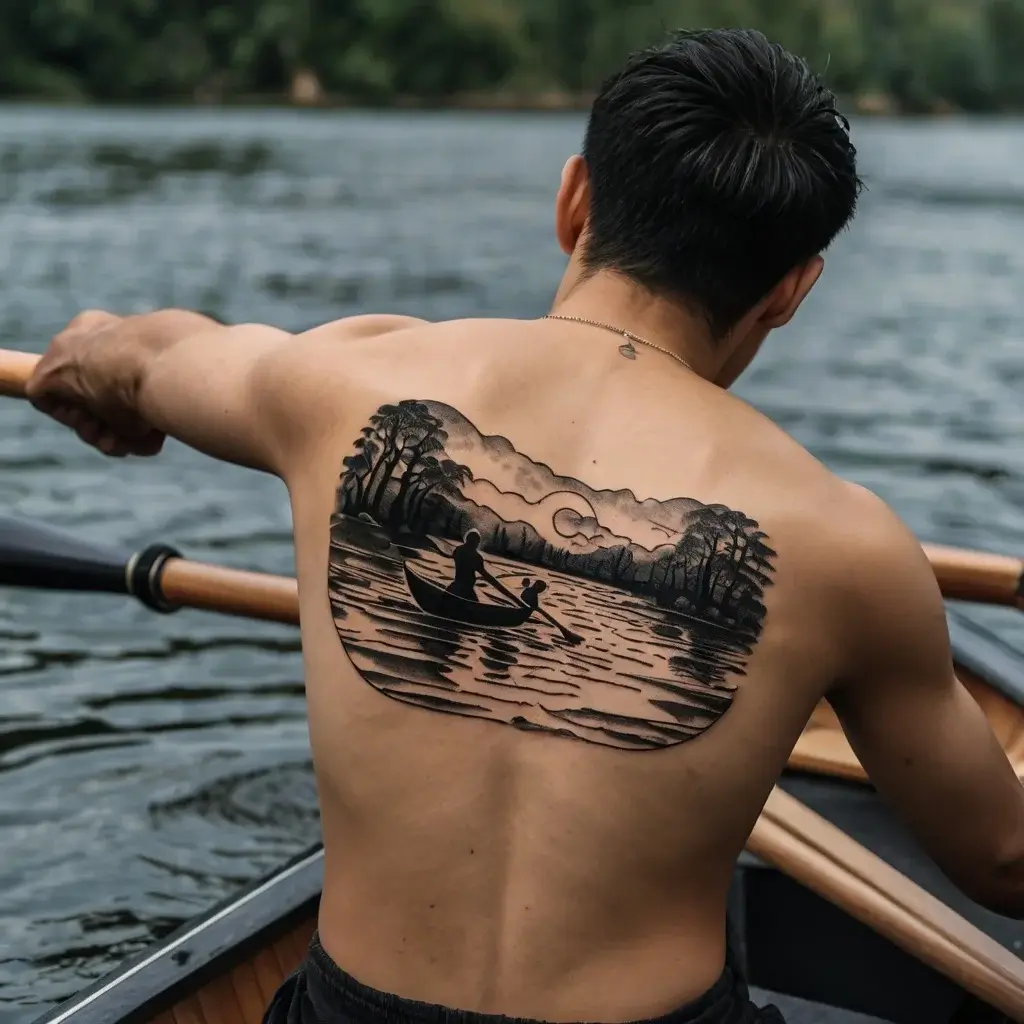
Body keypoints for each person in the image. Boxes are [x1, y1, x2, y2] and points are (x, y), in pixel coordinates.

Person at [22, 26, 1024, 1024]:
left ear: (573, 199)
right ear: (792, 290)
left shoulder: (337, 387)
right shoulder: (845, 544)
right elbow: (1001, 857)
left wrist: (89, 358)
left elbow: (147, 357)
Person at [447, 529, 496, 601]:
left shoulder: (458, 550)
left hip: (457, 586)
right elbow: (484, 574)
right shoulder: (476, 557)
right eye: (476, 542)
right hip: (466, 590)